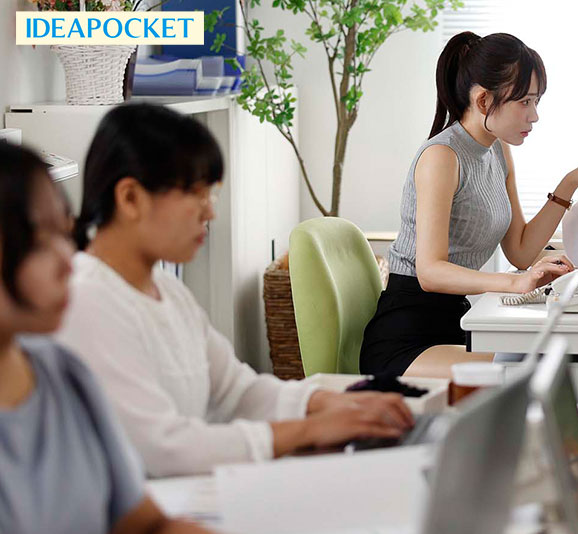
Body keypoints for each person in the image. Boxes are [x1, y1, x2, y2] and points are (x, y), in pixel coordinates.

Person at [56, 103, 414, 478]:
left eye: (211, 195)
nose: (210, 213)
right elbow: (162, 448)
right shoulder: (86, 299)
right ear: (130, 198)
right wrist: (308, 430)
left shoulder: (165, 288)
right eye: (196, 194)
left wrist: (331, 402)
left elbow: (235, 390)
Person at [360, 31, 578, 378]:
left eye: (536, 101)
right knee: (531, 371)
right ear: (483, 101)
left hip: (453, 324)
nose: (534, 115)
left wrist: (569, 183)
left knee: (561, 358)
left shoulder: (497, 149)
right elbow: (430, 272)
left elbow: (520, 251)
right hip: (407, 339)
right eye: (525, 102)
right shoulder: (442, 156)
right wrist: (515, 283)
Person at [0, 142, 213, 534]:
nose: (68, 259)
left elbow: (147, 525)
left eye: (64, 232)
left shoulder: (65, 374)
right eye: (39, 240)